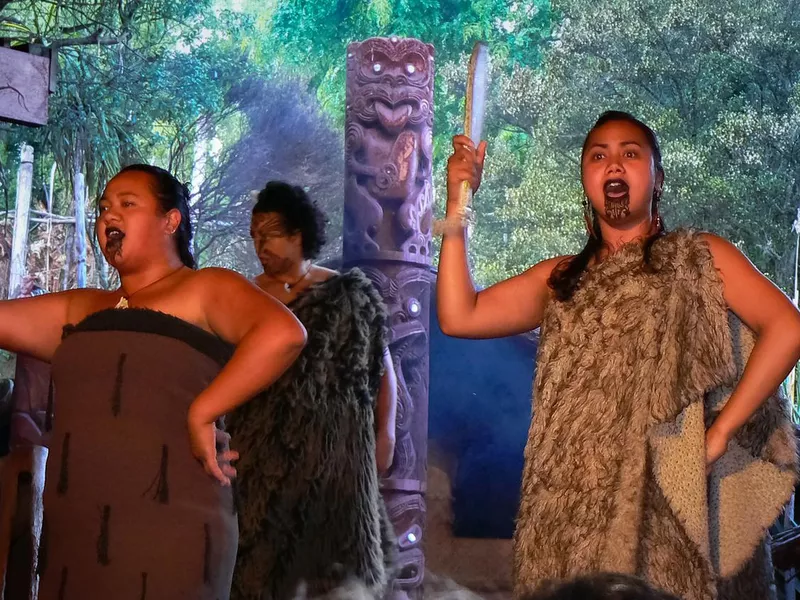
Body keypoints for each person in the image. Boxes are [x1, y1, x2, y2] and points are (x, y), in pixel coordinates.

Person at [438, 111, 800, 599]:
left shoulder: (699, 258)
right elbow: (460, 315)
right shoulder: (560, 278)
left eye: (631, 154)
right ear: (586, 180)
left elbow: (787, 327)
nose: (614, 164)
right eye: (598, 156)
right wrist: (457, 205)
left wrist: (720, 433)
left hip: (663, 502)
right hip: (566, 506)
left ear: (657, 176)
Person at [0, 164, 306, 599]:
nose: (108, 215)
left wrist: (203, 413)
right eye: (104, 207)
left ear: (170, 221)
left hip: (171, 527)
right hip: (75, 535)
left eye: (127, 204)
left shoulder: (204, 288)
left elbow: (284, 334)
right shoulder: (80, 307)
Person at [228, 181, 397, 600]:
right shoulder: (244, 296)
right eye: (253, 235)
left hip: (338, 462)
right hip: (262, 463)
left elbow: (380, 368)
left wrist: (386, 432)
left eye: (268, 233)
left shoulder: (347, 293)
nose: (259, 244)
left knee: (336, 578)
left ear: (297, 234)